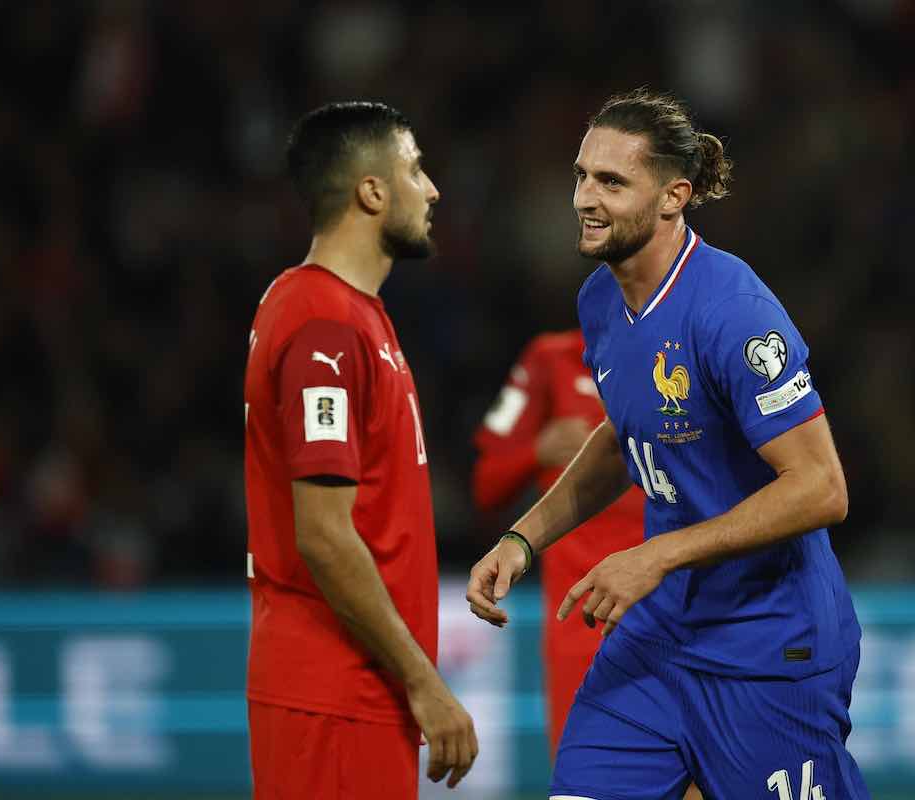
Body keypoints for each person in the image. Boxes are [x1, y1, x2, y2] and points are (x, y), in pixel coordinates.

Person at [467, 88, 869, 800]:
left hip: (768, 645)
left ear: (673, 197)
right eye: (581, 176)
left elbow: (822, 487)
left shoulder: (734, 312)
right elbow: (622, 438)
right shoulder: (599, 301)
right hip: (659, 643)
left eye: (612, 182)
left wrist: (655, 555)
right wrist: (523, 540)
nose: (585, 199)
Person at [244, 101, 477, 799]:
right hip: (333, 696)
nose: (432, 189)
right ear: (371, 192)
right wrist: (424, 681)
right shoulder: (325, 325)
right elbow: (323, 534)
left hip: (353, 696)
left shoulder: (347, 313)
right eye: (415, 169)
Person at [472, 330, 646, 754]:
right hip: (580, 623)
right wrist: (537, 451)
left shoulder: (681, 352)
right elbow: (486, 485)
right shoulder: (551, 359)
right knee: (583, 775)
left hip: (671, 612)